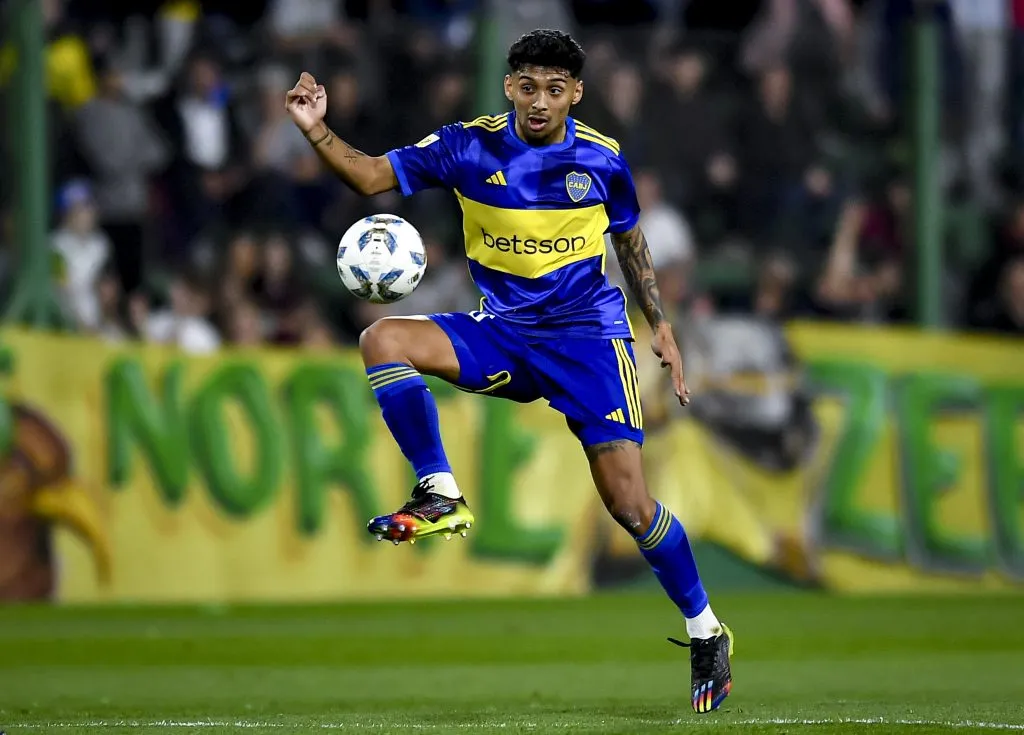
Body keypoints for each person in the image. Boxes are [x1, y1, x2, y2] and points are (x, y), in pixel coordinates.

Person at [285, 29, 733, 713]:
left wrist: (659, 322)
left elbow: (630, 237)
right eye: (529, 86)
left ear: (576, 94)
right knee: (383, 339)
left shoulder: (602, 159)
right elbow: (373, 176)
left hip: (588, 341)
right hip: (505, 334)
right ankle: (437, 491)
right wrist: (317, 131)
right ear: (509, 86)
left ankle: (705, 627)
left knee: (629, 504)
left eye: (556, 88)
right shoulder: (469, 146)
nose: (540, 101)